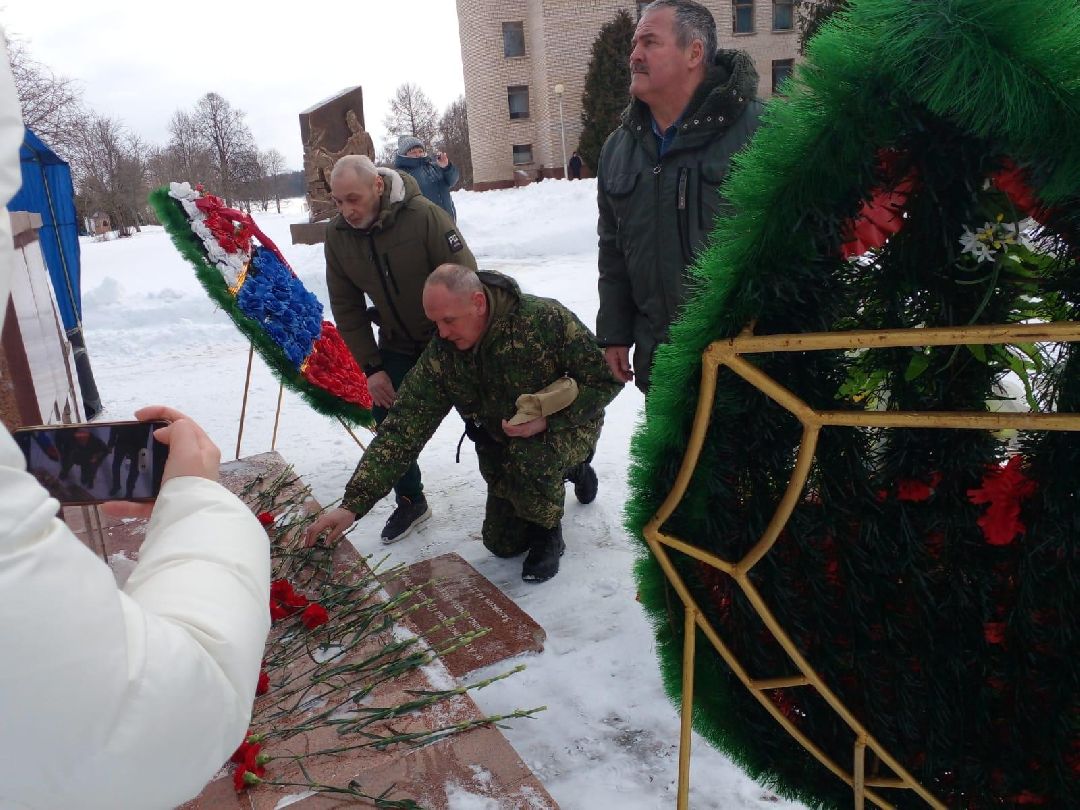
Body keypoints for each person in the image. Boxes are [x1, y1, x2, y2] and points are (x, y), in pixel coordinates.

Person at [305, 265, 619, 584]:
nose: (441, 333)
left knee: (532, 457)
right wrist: (353, 504)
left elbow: (606, 378)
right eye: (435, 322)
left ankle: (549, 530)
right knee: (502, 545)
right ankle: (572, 472)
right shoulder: (445, 353)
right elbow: (402, 429)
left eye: (449, 320)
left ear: (478, 303)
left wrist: (548, 421)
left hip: (568, 426)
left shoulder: (542, 320)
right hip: (503, 444)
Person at [595, 0, 763, 392]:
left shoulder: (761, 131)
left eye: (650, 42)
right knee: (675, 457)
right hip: (663, 365)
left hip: (751, 367)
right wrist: (615, 333)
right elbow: (613, 251)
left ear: (694, 52)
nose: (634, 55)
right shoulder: (618, 149)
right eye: (635, 44)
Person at [326, 154, 477, 543]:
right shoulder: (339, 237)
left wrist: (465, 341)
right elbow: (347, 307)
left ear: (378, 185)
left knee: (488, 419)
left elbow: (466, 279)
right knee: (390, 424)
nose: (347, 211)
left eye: (353, 199)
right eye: (338, 201)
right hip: (395, 343)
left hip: (448, 339)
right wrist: (372, 367)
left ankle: (550, 478)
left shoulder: (424, 216)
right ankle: (410, 499)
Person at [393, 135, 460, 221]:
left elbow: (452, 181)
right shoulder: (402, 175)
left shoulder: (435, 166)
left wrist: (447, 167)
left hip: (448, 221)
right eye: (413, 152)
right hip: (425, 226)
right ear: (404, 154)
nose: (418, 154)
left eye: (420, 151)